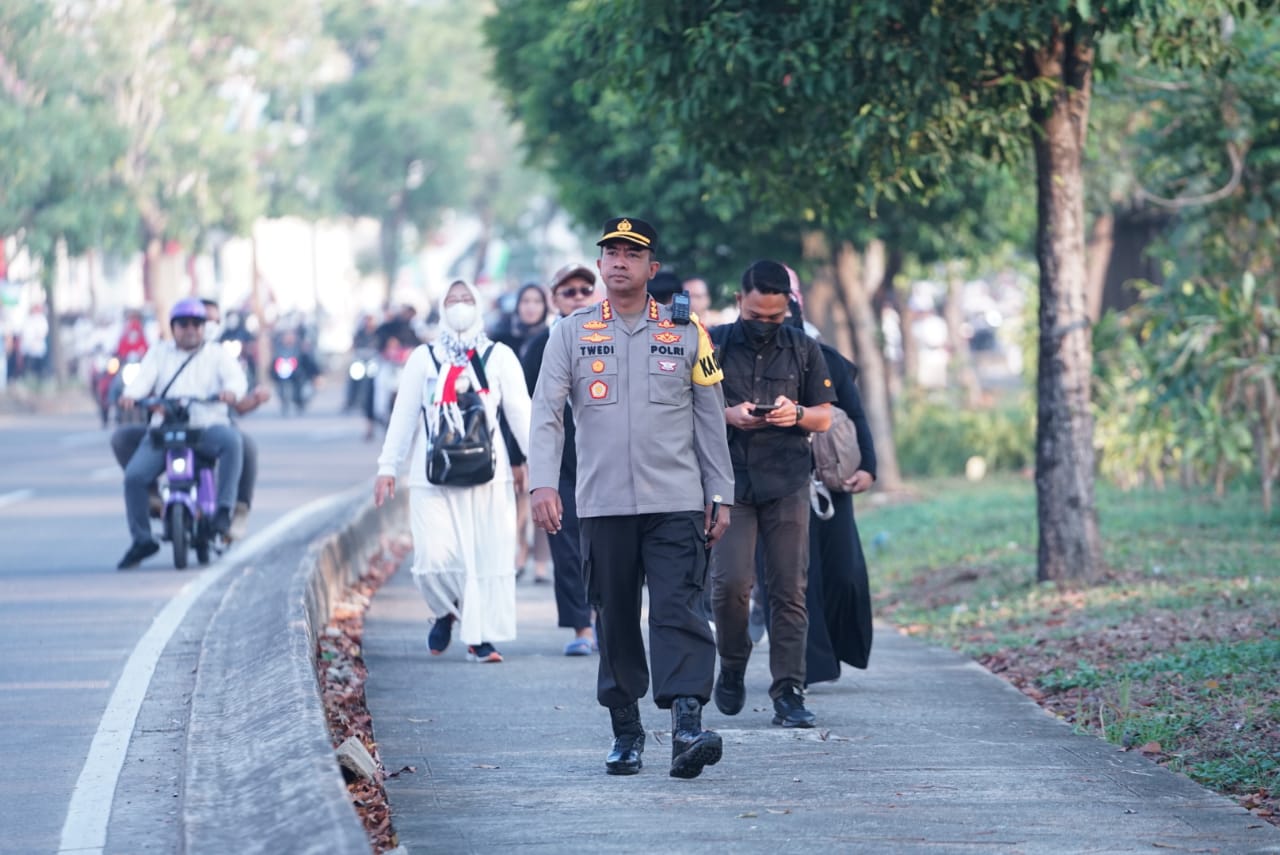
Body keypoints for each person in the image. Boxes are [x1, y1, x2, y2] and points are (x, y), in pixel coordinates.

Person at [529, 217, 734, 780]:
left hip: (676, 498)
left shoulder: (687, 332)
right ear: (600, 266)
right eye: (610, 253)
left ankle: (687, 727)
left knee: (679, 609)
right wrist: (542, 482)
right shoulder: (570, 333)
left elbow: (709, 417)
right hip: (603, 504)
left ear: (651, 269)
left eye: (631, 254)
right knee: (615, 616)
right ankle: (626, 731)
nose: (619, 261)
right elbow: (547, 413)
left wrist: (721, 491)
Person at [374, 279, 532, 664]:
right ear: (442, 307)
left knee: (484, 559)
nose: (459, 305)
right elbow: (404, 416)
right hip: (432, 475)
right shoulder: (423, 358)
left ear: (477, 306)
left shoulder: (499, 357)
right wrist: (387, 466)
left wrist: (542, 471)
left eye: (466, 299)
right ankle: (445, 609)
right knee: (433, 559)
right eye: (452, 299)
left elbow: (522, 417)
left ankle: (480, 639)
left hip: (487, 475)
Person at [707, 259, 836, 729]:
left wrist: (795, 412)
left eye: (774, 317)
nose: (764, 325)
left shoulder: (804, 347)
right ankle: (733, 663)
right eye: (755, 315)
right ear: (739, 300)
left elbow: (824, 415)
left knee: (789, 590)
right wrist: (729, 414)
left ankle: (788, 691)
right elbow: (686, 406)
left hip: (787, 481)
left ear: (789, 307)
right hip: (731, 482)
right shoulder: (713, 344)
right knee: (731, 587)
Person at [110, 300, 269, 539]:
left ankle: (227, 511)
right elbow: (141, 382)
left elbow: (237, 386)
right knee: (130, 464)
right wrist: (131, 396)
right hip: (166, 430)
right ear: (173, 327)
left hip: (206, 427)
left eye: (197, 323)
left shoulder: (218, 354)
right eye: (184, 324)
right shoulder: (159, 352)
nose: (191, 329)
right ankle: (142, 535)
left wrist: (234, 394)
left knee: (236, 442)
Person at [519, 262, 599, 656]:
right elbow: (529, 411)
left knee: (606, 550)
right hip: (561, 465)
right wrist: (533, 469)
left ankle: (606, 620)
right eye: (569, 292)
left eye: (586, 290)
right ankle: (582, 628)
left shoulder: (611, 337)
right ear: (555, 299)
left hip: (606, 464)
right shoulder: (538, 347)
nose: (579, 298)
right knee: (567, 550)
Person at [493, 282, 552, 584]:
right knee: (516, 495)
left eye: (536, 301)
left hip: (544, 427)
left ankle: (541, 563)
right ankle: (519, 553)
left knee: (543, 495)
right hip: (507, 427)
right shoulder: (502, 341)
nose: (530, 307)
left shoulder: (554, 338)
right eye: (525, 301)